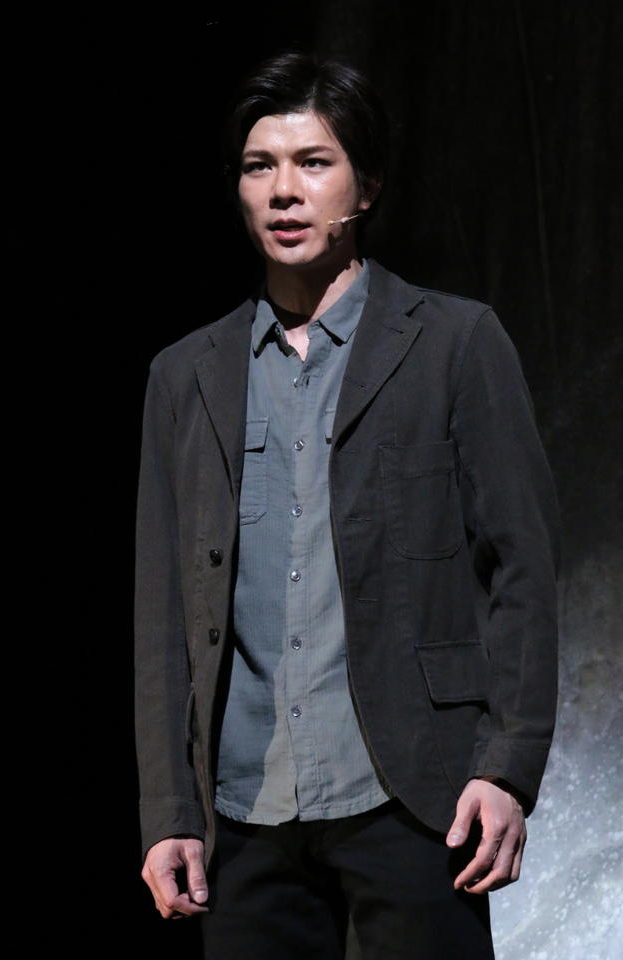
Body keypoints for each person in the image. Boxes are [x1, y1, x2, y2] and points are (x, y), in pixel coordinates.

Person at [134, 50, 561, 958]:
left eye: (313, 162)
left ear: (365, 186)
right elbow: (163, 613)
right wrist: (169, 810)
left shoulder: (454, 342)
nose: (284, 191)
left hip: (414, 796)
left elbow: (522, 569)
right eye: (260, 167)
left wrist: (507, 768)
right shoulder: (185, 376)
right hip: (244, 812)